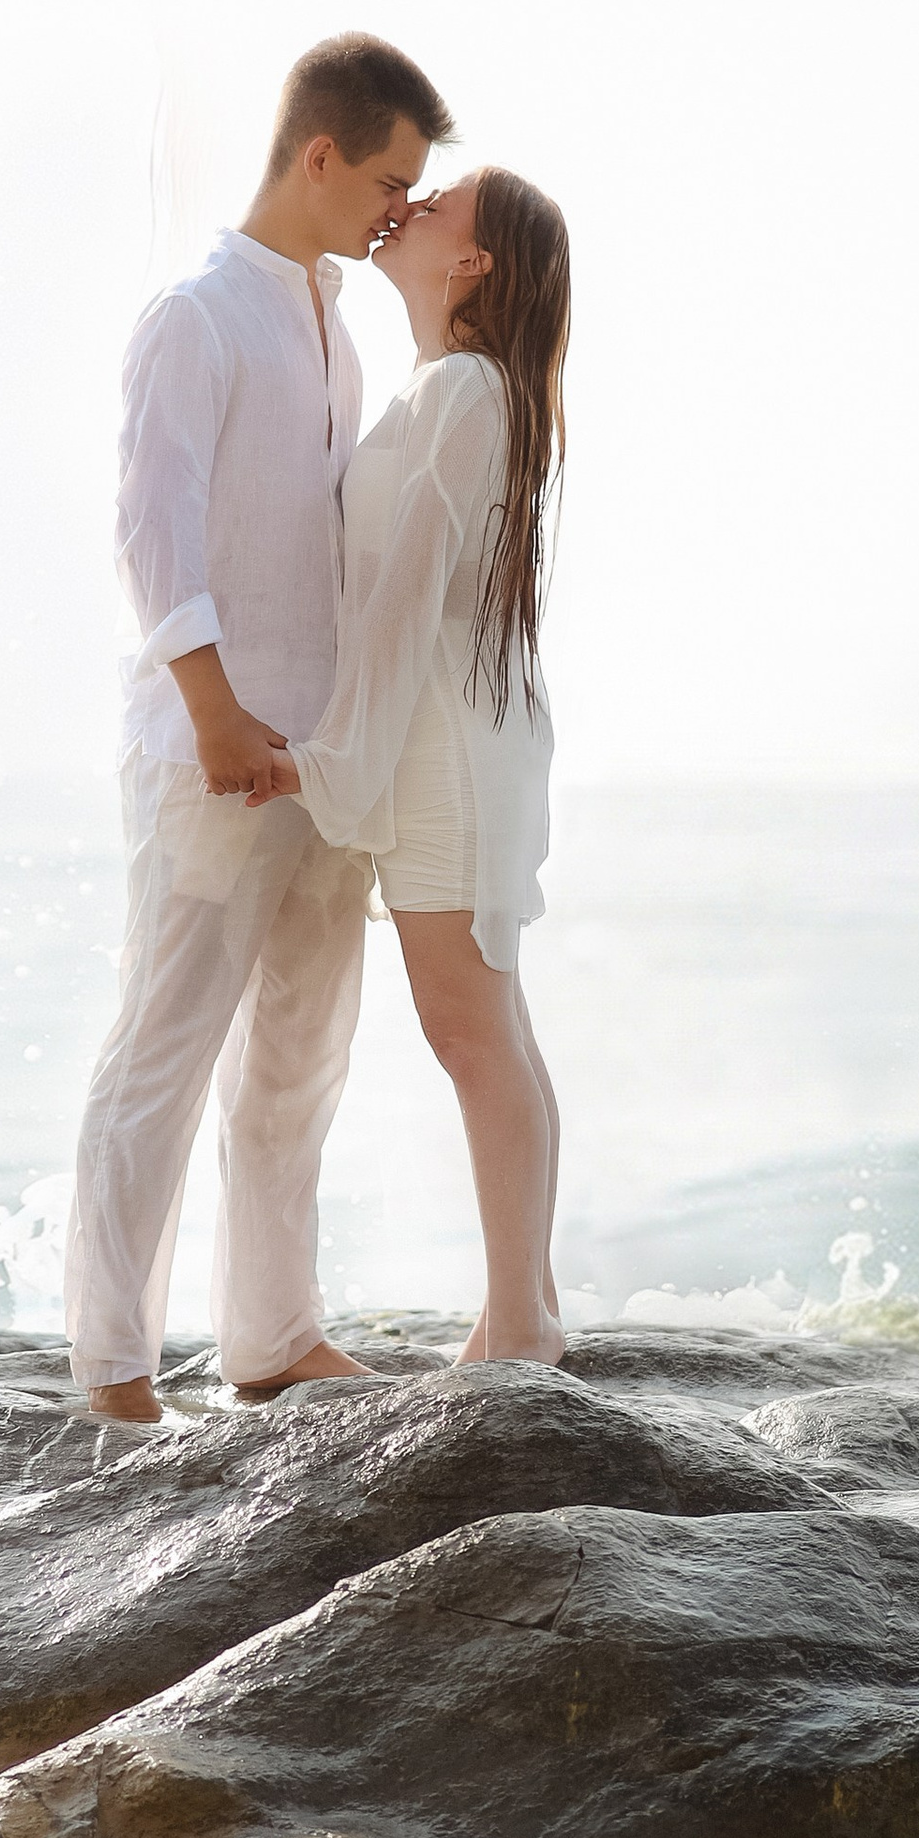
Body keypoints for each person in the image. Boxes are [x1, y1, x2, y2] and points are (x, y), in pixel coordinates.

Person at [64, 34, 454, 1424]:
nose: (398, 209)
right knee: (161, 1050)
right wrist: (216, 709)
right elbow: (150, 529)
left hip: (321, 755)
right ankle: (111, 1366)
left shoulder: (332, 322)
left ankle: (273, 1335)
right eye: (390, 179)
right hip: (213, 748)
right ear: (319, 154)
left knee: (300, 1049)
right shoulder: (197, 313)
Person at [260, 167, 570, 1365]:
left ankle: (522, 1324)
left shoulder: (463, 393)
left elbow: (401, 605)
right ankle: (519, 1307)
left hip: (437, 747)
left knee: (469, 1027)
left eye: (439, 200)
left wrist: (323, 761)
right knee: (490, 1024)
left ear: (473, 260)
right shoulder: (452, 390)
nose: (414, 202)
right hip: (443, 735)